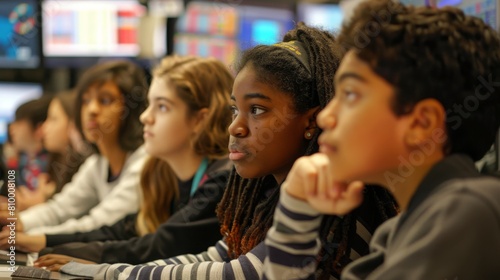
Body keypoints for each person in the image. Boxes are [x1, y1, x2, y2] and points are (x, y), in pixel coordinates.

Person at [56, 23, 398, 280]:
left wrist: (105, 272)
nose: (236, 127)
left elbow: (239, 273)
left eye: (258, 110)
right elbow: (216, 257)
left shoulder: (336, 199)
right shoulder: (263, 192)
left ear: (311, 120)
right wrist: (102, 269)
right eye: (236, 110)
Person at [263, 1, 500, 279]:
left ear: (421, 123)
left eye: (350, 94)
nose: (326, 117)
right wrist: (297, 207)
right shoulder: (397, 232)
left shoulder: (465, 212)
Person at [6, 56, 234, 269]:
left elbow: (162, 245)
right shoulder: (164, 176)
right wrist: (38, 239)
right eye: (149, 104)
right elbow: (119, 230)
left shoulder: (220, 181)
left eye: (162, 106)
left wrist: (85, 260)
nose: (146, 116)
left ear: (200, 119)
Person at [0, 60, 148, 235]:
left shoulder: (143, 163)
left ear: (131, 111)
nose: (92, 109)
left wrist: (37, 238)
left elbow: (98, 223)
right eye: (86, 100)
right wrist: (17, 222)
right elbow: (58, 210)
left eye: (105, 100)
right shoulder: (97, 163)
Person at [14, 91, 91, 211]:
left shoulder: (88, 166)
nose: (44, 127)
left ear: (74, 125)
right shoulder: (59, 162)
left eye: (53, 119)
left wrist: (40, 204)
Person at [7, 95, 52, 191]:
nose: (11, 129)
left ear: (38, 128)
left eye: (18, 122)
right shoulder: (24, 159)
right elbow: (12, 193)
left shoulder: (51, 164)